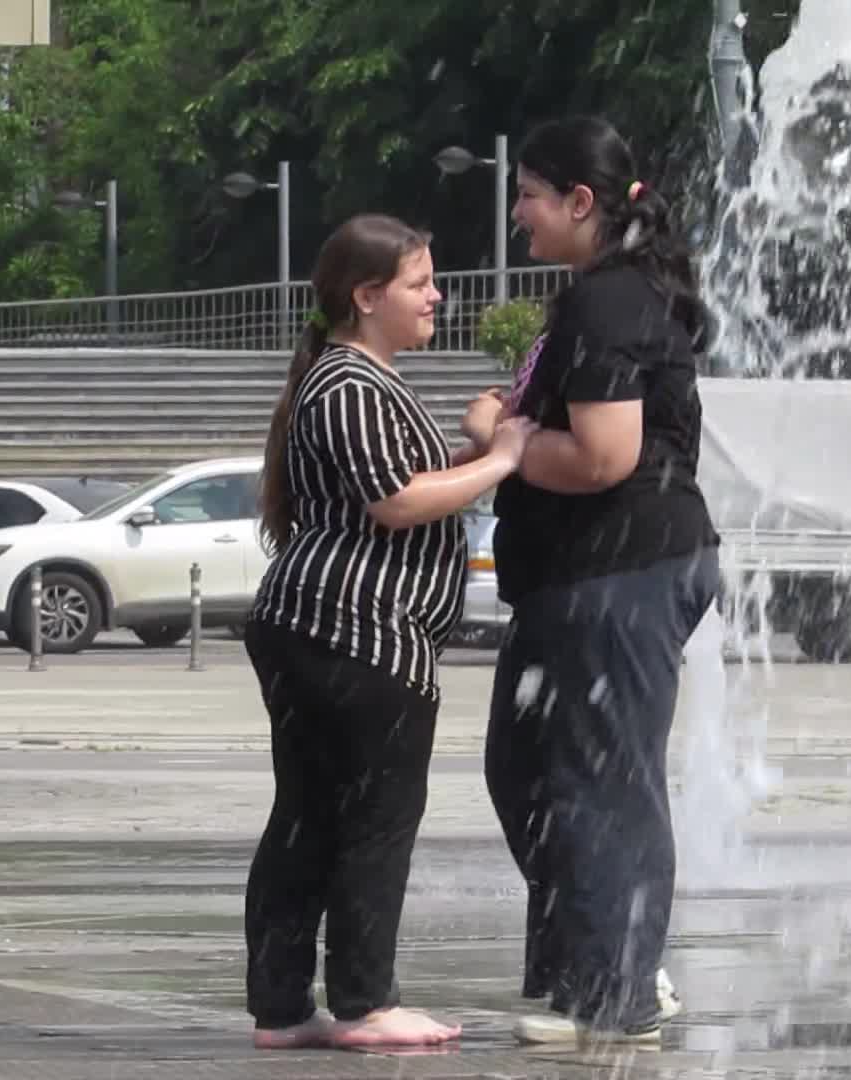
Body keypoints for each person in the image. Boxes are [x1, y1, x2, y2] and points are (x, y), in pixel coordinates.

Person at [244, 213, 536, 1050]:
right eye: (420, 283)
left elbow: (398, 483)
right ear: (367, 297)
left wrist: (473, 448)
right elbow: (396, 500)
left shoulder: (348, 379)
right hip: (357, 633)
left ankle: (283, 1008)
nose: (436, 296)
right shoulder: (350, 383)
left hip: (321, 627)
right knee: (375, 818)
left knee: (308, 818)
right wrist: (502, 459)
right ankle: (366, 1001)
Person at [463, 115, 722, 1044]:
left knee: (600, 779)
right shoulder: (600, 297)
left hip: (621, 572)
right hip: (592, 575)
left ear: (581, 202)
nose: (517, 215)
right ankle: (606, 967)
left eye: (529, 196)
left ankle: (620, 996)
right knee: (529, 769)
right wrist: (509, 423)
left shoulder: (608, 303)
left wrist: (505, 445)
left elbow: (604, 456)